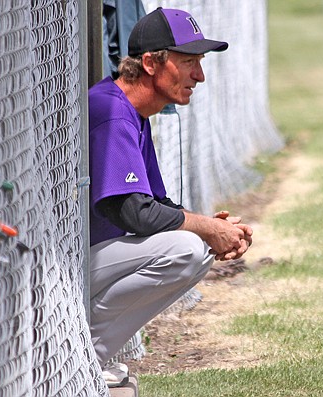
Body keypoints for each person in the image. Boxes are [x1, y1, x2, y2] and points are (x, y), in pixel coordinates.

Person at [88, 7, 253, 387]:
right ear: (149, 62)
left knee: (196, 245)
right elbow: (133, 212)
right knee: (186, 249)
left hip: (90, 257)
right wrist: (204, 228)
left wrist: (211, 227)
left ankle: (90, 349)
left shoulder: (133, 111)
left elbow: (154, 204)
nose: (200, 75)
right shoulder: (112, 111)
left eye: (200, 62)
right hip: (60, 265)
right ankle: (85, 352)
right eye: (188, 62)